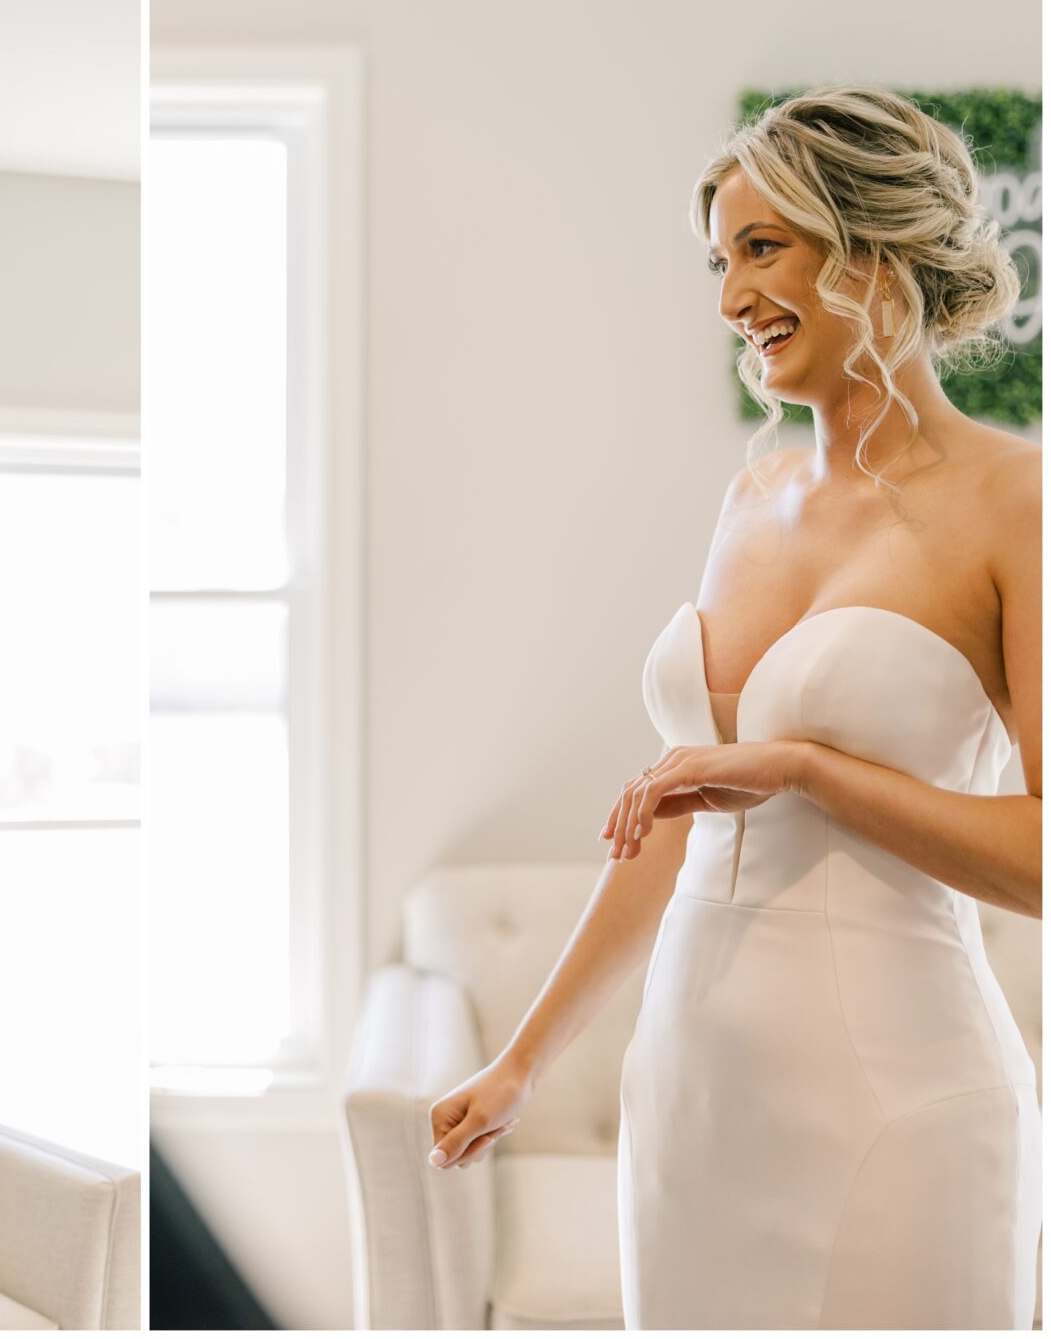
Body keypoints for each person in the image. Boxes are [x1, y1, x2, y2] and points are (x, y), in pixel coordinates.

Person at [427, 89, 1040, 1329]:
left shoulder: (1013, 499)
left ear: (871, 247)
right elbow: (675, 809)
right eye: (719, 259)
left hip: (897, 1100)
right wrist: (522, 1060)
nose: (726, 299)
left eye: (762, 249)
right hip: (690, 1094)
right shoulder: (747, 494)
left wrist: (810, 771)